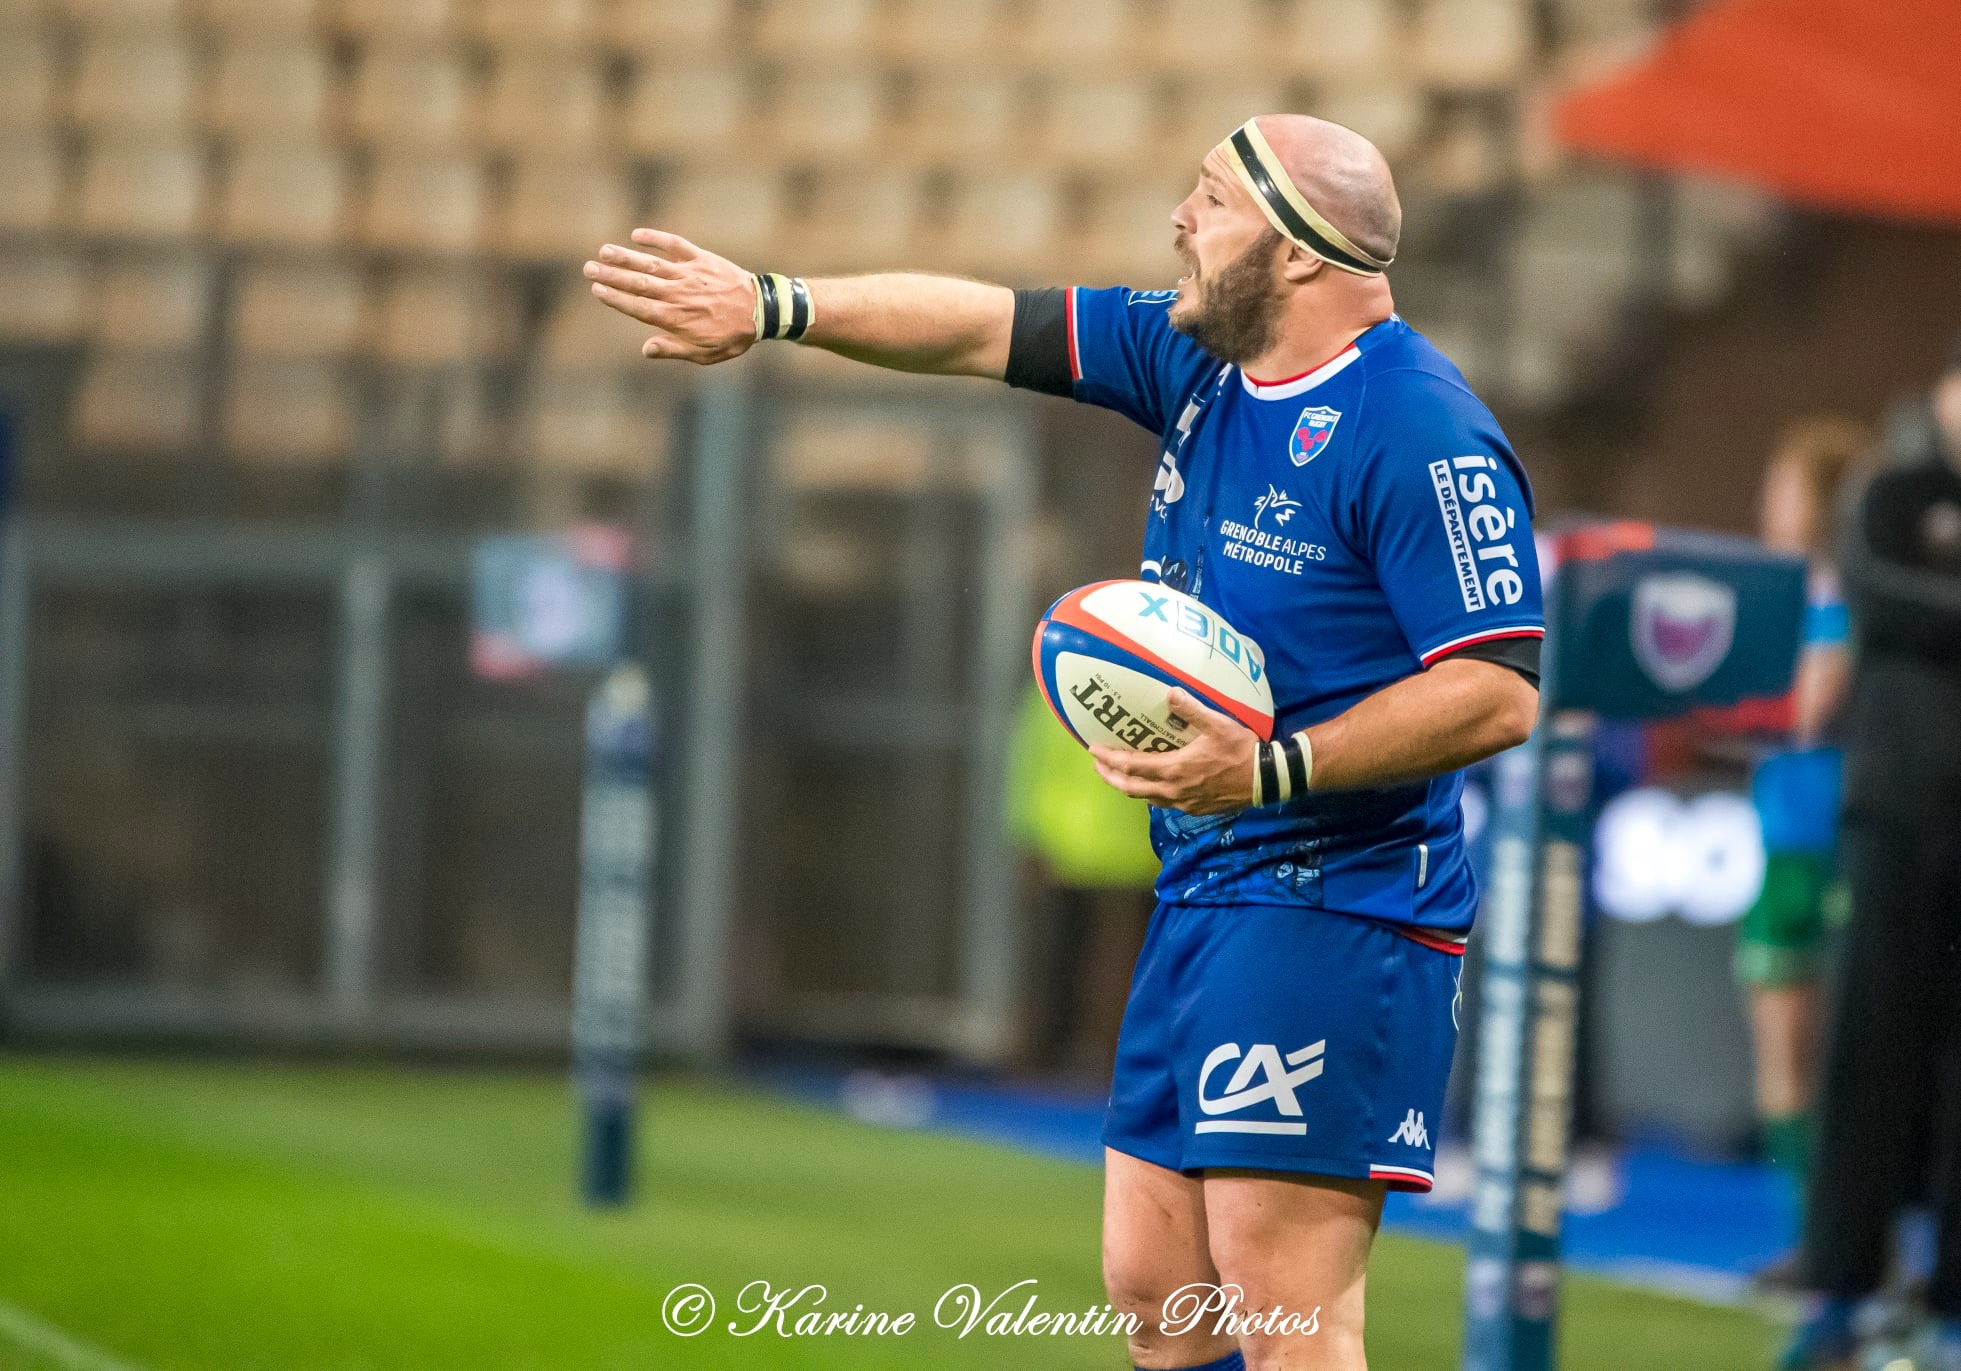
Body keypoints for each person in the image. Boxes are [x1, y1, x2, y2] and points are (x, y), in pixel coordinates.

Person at [586, 114, 1544, 1371]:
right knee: (1158, 1297)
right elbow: (982, 326)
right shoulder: (1196, 360)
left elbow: (1495, 691)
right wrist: (774, 306)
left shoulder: (1414, 427)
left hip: (1335, 902)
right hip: (1203, 888)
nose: (1179, 219)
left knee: (1284, 1312)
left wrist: (1270, 768)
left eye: (1212, 198)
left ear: (1299, 252)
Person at [1782, 341, 1961, 1371]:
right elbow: (1879, 594)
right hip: (1892, 819)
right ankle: (1837, 1294)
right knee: (1864, 1056)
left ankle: (1947, 1307)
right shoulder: (1892, 494)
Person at [1736, 419, 1868, 1280]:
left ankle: (1840, 1245)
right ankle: (1816, 1240)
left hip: (1823, 849)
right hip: (1782, 841)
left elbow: (1806, 710)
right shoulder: (1795, 601)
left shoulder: (1842, 601)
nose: (1767, 506)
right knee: (1783, 1057)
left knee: (1815, 1056)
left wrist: (1709, 690)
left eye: (1782, 489)